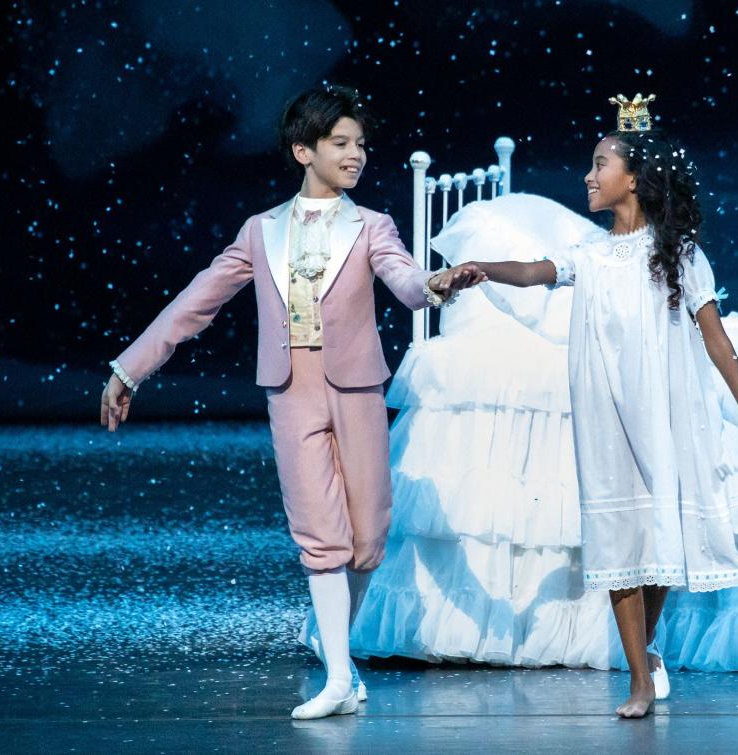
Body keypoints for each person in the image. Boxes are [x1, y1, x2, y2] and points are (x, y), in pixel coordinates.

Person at [99, 85, 479, 719]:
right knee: (319, 536)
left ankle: (341, 662)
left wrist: (435, 284)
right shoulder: (261, 231)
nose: (356, 154)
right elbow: (198, 300)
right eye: (341, 144)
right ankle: (336, 677)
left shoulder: (371, 225)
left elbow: (405, 280)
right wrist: (130, 370)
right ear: (305, 151)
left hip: (356, 389)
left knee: (366, 538)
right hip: (291, 391)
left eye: (360, 144)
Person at [433, 93, 738, 717]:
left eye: (601, 164)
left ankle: (645, 648)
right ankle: (639, 681)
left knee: (661, 537)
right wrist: (478, 268)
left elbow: (715, 338)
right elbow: (532, 269)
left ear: (635, 177)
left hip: (667, 415)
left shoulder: (678, 254)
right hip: (607, 419)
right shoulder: (589, 256)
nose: (589, 176)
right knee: (621, 539)